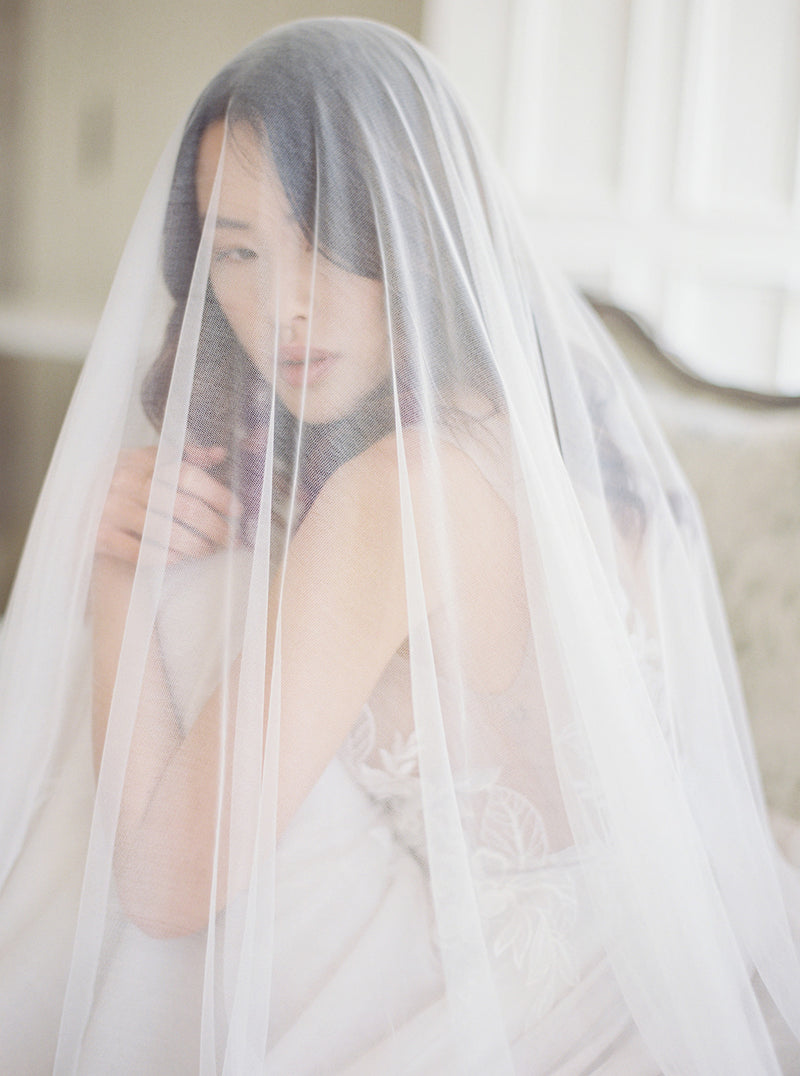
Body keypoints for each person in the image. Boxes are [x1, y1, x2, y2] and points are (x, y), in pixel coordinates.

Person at [0, 17, 799, 1074]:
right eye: (237, 252)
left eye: (329, 239)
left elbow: (155, 880)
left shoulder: (395, 493)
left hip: (538, 1014)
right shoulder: (545, 432)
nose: (281, 307)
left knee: (181, 624)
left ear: (416, 229)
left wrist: (114, 576)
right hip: (664, 952)